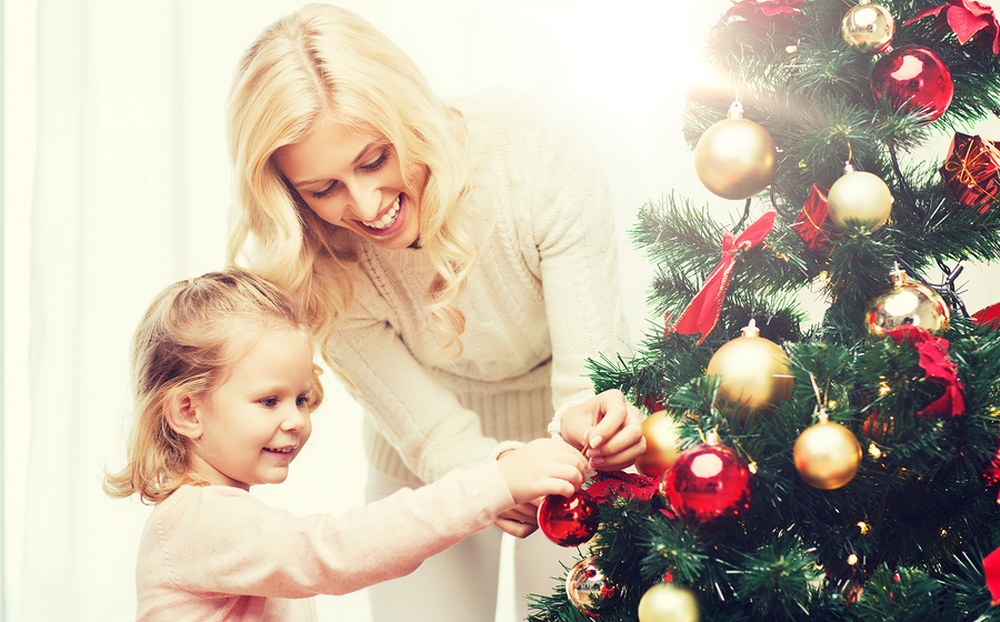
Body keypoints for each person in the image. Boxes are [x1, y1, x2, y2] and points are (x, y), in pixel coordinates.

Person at [226, 4, 646, 620]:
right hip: (420, 460)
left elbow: (587, 380)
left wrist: (598, 425)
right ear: (289, 192)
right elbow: (430, 433)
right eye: (324, 189)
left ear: (411, 116)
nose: (366, 204)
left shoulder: (533, 158)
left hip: (567, 442)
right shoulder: (306, 260)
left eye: (374, 160)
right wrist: (491, 473)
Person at [103, 269, 590, 620]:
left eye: (301, 398)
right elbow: (333, 551)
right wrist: (495, 481)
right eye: (269, 401)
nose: (295, 419)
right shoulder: (195, 520)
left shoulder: (220, 518)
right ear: (188, 411)